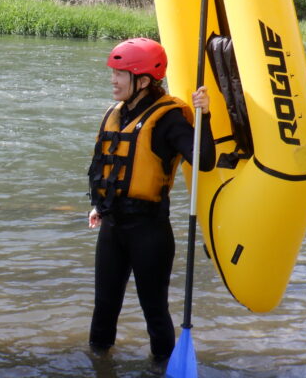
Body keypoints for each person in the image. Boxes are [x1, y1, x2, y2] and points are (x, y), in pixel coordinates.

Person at [86, 37, 215, 363]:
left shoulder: (169, 118)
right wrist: (100, 205)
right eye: (113, 72)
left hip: (149, 231)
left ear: (143, 80)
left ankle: (162, 367)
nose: (113, 80)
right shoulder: (117, 113)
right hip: (113, 227)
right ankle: (99, 365)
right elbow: (110, 168)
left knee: (154, 310)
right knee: (103, 310)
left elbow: (205, 161)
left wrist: (205, 117)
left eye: (120, 73)